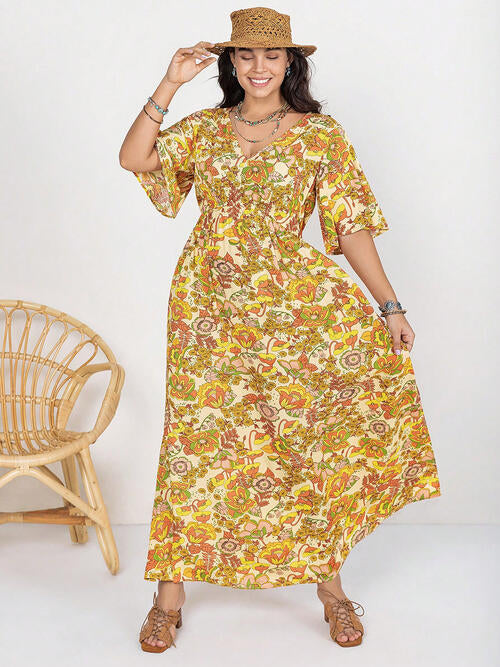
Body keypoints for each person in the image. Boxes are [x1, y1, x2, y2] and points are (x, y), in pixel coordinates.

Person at [119, 6, 441, 653]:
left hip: (292, 313)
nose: (259, 67)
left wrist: (390, 306)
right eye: (245, 55)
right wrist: (170, 81)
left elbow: (350, 225)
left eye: (271, 55)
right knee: (195, 441)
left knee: (301, 442)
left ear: (290, 62)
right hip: (207, 309)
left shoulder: (321, 135)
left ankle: (332, 590)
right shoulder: (206, 129)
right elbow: (134, 157)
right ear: (231, 63)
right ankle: (167, 599)